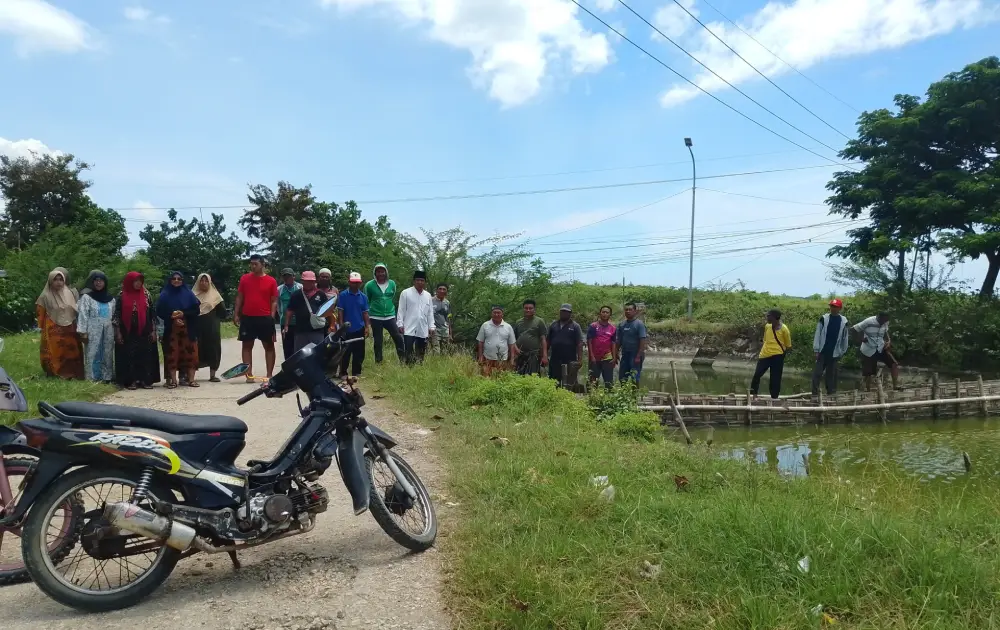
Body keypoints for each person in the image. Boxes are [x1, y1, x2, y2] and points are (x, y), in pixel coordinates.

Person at [234, 254, 279, 383]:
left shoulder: (271, 281)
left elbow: (274, 301)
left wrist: (271, 316)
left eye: (256, 264)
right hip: (248, 317)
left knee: (269, 346)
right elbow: (240, 297)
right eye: (251, 264)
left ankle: (269, 375)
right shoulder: (245, 279)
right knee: (247, 345)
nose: (253, 266)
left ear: (262, 265)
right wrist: (236, 313)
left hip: (265, 318)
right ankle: (248, 374)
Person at [113, 271, 160, 390]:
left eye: (140, 281)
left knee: (145, 355)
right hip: (127, 331)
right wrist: (118, 332)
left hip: (145, 330)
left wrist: (154, 331)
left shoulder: (146, 295)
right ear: (129, 282)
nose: (138, 283)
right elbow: (117, 314)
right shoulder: (122, 295)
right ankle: (131, 381)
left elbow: (152, 314)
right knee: (129, 355)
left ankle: (145, 380)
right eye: (135, 281)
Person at [36, 267, 84, 380]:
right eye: (55, 279)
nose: (58, 282)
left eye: (61, 279)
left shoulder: (69, 293)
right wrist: (42, 328)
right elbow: (40, 313)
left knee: (72, 350)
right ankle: (56, 373)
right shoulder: (45, 296)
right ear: (50, 281)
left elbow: (75, 309)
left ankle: (73, 373)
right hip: (53, 328)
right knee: (56, 351)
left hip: (70, 327)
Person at [157, 271, 202, 388]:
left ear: (182, 281)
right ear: (170, 280)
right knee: (172, 353)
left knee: (191, 353)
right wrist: (172, 317)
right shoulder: (165, 294)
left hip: (188, 329)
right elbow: (159, 311)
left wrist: (183, 314)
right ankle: (173, 380)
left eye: (179, 279)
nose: (176, 281)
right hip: (171, 330)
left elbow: (196, 310)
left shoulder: (189, 294)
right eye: (174, 278)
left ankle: (191, 380)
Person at [77, 270, 115, 383]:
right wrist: (82, 332)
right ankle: (92, 377)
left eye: (101, 281)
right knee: (92, 352)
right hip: (92, 329)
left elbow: (113, 316)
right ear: (92, 283)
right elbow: (83, 314)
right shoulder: (87, 298)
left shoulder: (111, 299)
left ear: (105, 283)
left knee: (107, 352)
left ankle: (106, 377)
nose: (98, 283)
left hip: (108, 329)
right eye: (96, 281)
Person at [363, 263, 404, 363]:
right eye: (378, 271)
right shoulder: (369, 285)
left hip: (390, 316)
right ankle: (379, 362)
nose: (381, 273)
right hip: (375, 316)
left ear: (386, 272)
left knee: (398, 337)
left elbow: (392, 296)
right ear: (375, 273)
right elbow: (366, 300)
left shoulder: (392, 284)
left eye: (382, 271)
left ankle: (403, 360)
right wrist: (367, 319)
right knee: (378, 341)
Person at [285, 271, 332, 353]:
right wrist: (286, 325)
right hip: (300, 331)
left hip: (317, 331)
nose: (309, 283)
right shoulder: (296, 295)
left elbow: (328, 311)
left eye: (311, 281)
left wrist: (331, 325)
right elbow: (290, 311)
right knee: (300, 355)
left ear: (314, 282)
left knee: (317, 354)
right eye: (307, 281)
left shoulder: (321, 294)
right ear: (302, 281)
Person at [750, 309, 792, 400]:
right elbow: (765, 339)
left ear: (775, 318)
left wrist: (781, 356)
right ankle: (753, 395)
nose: (767, 317)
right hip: (765, 355)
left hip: (778, 356)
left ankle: (774, 398)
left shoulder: (784, 329)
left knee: (775, 378)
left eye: (769, 316)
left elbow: (788, 345)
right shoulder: (767, 326)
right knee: (757, 375)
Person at [812, 298, 849, 397]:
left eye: (835, 307)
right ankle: (814, 394)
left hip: (835, 352)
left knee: (831, 375)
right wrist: (816, 350)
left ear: (839, 308)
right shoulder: (824, 319)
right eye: (832, 306)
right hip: (823, 351)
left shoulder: (843, 321)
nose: (833, 308)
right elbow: (818, 334)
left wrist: (843, 351)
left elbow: (845, 337)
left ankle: (831, 394)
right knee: (817, 373)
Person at [853, 312, 900, 391]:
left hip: (881, 347)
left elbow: (886, 332)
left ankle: (895, 386)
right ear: (878, 317)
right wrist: (861, 339)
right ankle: (867, 390)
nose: (883, 323)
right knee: (869, 372)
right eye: (882, 321)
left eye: (885, 321)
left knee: (894, 364)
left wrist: (889, 341)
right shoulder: (868, 321)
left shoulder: (885, 322)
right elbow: (854, 329)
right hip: (869, 349)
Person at [337, 272, 371, 377]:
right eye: (353, 282)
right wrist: (341, 326)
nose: (355, 285)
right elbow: (340, 311)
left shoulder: (363, 297)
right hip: (347, 328)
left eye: (357, 283)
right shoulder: (343, 295)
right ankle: (343, 372)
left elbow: (365, 313)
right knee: (345, 352)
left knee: (359, 352)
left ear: (360, 283)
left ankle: (357, 372)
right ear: (349, 282)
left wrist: (367, 326)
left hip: (359, 327)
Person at [397, 270, 435, 365]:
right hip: (409, 326)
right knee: (409, 350)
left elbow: (430, 312)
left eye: (422, 280)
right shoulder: (405, 293)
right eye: (418, 280)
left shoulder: (428, 295)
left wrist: (431, 326)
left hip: (422, 328)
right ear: (414, 281)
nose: (420, 282)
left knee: (421, 351)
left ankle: (419, 368)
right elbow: (401, 309)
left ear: (425, 282)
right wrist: (400, 323)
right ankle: (409, 368)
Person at [194, 273, 226, 382]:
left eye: (206, 281)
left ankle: (213, 375)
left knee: (213, 349)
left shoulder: (215, 296)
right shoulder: (192, 295)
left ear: (209, 282)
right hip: (197, 326)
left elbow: (223, 312)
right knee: (196, 348)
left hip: (212, 326)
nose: (203, 283)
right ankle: (191, 375)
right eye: (201, 281)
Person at [547, 304, 583, 386]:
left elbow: (579, 343)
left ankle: (569, 397)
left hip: (570, 359)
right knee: (554, 382)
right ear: (560, 312)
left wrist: (580, 360)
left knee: (570, 383)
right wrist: (544, 355)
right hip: (555, 359)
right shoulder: (553, 325)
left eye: (567, 312)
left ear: (570, 313)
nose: (564, 313)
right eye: (563, 311)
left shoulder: (575, 326)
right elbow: (548, 341)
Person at [476, 306, 517, 376]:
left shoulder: (508, 327)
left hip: (502, 358)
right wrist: (480, 356)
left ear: (502, 314)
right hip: (487, 357)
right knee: (486, 377)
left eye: (498, 313)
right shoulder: (485, 325)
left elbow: (511, 344)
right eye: (494, 313)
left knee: (500, 377)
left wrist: (512, 359)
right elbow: (480, 342)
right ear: (491, 314)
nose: (496, 314)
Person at [513, 299, 548, 376]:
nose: (528, 310)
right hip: (520, 355)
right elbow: (512, 339)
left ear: (534, 309)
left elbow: (543, 339)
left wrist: (545, 356)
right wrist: (515, 350)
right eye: (526, 308)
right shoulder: (518, 322)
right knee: (519, 376)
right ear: (523, 309)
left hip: (533, 355)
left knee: (533, 376)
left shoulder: (539, 321)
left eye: (530, 308)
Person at [615, 302, 648, 384]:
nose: (628, 311)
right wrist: (616, 353)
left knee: (634, 378)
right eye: (626, 310)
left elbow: (642, 341)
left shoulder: (639, 324)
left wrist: (638, 356)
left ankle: (634, 396)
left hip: (636, 354)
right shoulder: (621, 324)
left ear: (635, 311)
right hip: (625, 354)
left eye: (630, 309)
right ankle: (624, 396)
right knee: (622, 378)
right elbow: (618, 340)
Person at [587, 306, 617, 390]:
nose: (605, 314)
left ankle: (609, 399)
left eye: (607, 312)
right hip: (595, 358)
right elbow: (589, 341)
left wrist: (614, 358)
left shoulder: (613, 328)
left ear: (610, 314)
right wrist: (591, 356)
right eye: (603, 312)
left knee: (609, 382)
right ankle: (592, 398)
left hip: (607, 357)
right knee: (593, 381)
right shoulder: (593, 326)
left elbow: (613, 343)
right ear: (600, 313)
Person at [278, 268, 302, 359]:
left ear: (294, 276)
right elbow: (278, 305)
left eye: (289, 275)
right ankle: (288, 368)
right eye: (285, 276)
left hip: (298, 322)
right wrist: (281, 315)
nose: (287, 278)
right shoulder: (279, 289)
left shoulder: (300, 287)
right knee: (287, 347)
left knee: (298, 346)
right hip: (285, 323)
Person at [431, 283, 453, 354]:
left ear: (446, 291)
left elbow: (449, 318)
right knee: (436, 351)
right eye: (440, 289)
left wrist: (450, 334)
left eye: (444, 289)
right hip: (435, 329)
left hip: (445, 330)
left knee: (445, 352)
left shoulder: (447, 303)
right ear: (437, 290)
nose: (442, 291)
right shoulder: (431, 300)